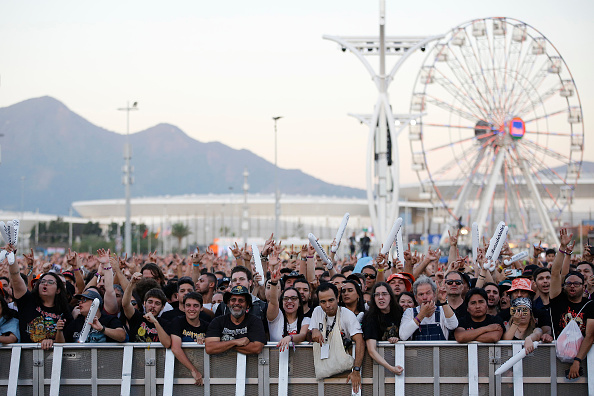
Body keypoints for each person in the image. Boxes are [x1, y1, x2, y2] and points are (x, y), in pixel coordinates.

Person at [549, 229, 594, 378]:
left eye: (576, 283)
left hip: (584, 358)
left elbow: (590, 336)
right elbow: (555, 274)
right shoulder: (558, 300)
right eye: (569, 283)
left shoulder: (590, 305)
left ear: (584, 285)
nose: (572, 286)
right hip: (554, 357)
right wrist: (562, 250)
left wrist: (577, 360)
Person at [8, 248, 73, 349]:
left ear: (58, 290)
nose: (45, 283)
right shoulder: (27, 301)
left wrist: (52, 341)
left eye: (50, 282)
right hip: (27, 357)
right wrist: (11, 256)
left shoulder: (65, 310)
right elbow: (16, 278)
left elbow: (67, 340)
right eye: (42, 282)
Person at [310, 283, 365, 394]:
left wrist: (356, 370)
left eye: (331, 300)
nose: (327, 305)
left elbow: (360, 341)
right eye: (323, 302)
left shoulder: (347, 315)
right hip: (323, 371)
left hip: (346, 372)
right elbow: (310, 333)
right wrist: (313, 330)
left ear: (337, 298)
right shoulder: (317, 311)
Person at [205, 285, 266, 355]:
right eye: (233, 300)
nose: (236, 303)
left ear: (248, 305)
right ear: (228, 303)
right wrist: (234, 342)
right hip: (221, 365)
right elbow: (210, 348)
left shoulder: (255, 321)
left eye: (241, 300)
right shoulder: (217, 321)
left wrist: (224, 344)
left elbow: (256, 348)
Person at [362, 282, 404, 375]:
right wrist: (391, 368)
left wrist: (398, 339)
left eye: (384, 294)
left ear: (390, 296)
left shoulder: (399, 311)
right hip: (379, 364)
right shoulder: (370, 318)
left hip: (401, 357)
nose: (380, 297)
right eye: (377, 295)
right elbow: (371, 350)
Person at [400, 276, 458, 341]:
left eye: (428, 293)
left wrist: (443, 301)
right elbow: (403, 336)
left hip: (439, 351)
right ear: (416, 298)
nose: (425, 297)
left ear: (434, 294)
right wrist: (422, 314)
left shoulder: (442, 310)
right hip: (418, 351)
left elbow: (453, 325)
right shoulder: (410, 312)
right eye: (421, 294)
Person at [169, 292, 210, 386]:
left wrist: (206, 340)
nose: (192, 309)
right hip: (181, 372)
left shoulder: (207, 325)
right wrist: (194, 370)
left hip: (204, 372)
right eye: (188, 305)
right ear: (183, 308)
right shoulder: (178, 321)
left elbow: (214, 343)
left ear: (201, 308)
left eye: (195, 306)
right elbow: (175, 348)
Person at [57, 289, 126, 343]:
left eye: (84, 300)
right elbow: (62, 344)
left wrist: (102, 329)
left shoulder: (110, 320)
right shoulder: (75, 323)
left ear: (96, 303)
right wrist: (59, 331)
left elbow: (122, 336)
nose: (80, 303)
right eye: (79, 300)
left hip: (104, 360)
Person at [122, 272, 171, 347]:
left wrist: (155, 322)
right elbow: (125, 304)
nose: (153, 306)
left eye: (157, 303)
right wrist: (131, 283)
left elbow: (167, 344)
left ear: (162, 307)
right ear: (144, 303)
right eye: (150, 302)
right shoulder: (137, 317)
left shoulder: (165, 323)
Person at [267, 270, 310, 351]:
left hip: (298, 361)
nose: (289, 301)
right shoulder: (276, 317)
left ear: (299, 303)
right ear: (281, 302)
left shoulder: (306, 320)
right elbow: (273, 302)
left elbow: (303, 335)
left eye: (293, 298)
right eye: (286, 299)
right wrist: (274, 283)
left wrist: (289, 338)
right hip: (275, 360)